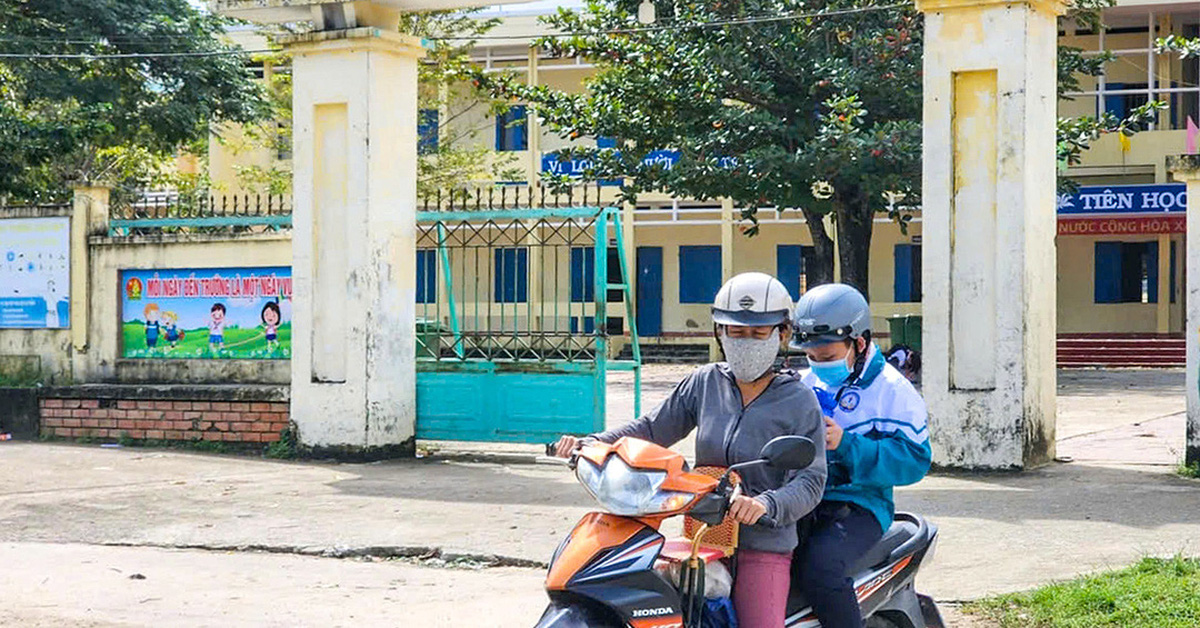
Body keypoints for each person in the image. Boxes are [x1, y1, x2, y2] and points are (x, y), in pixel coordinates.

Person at [554, 272, 826, 628]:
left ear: (783, 334)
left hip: (763, 544)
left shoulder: (798, 399)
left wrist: (765, 503)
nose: (747, 341)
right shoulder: (706, 382)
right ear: (720, 333)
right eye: (736, 332)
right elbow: (652, 428)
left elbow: (811, 478)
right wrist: (595, 443)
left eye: (759, 333)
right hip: (702, 540)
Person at [789, 284, 931, 628]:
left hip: (862, 506)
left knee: (820, 568)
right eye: (812, 357)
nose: (819, 365)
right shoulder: (805, 385)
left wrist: (848, 444)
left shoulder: (891, 390)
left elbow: (914, 460)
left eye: (828, 356)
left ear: (860, 342)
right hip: (805, 499)